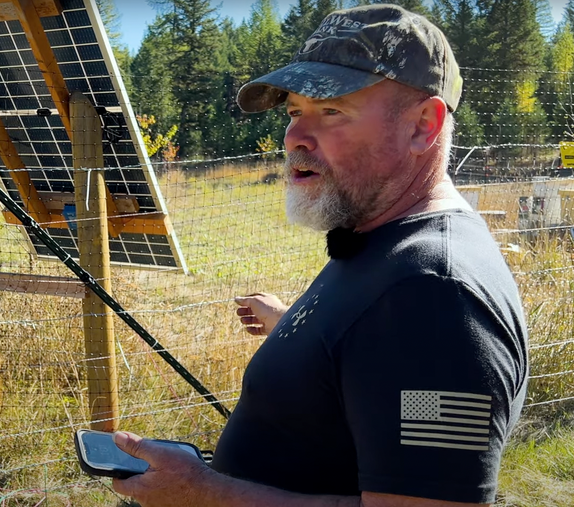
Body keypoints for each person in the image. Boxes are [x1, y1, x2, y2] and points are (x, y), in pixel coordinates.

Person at [109, 5, 529, 507]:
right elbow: (372, 359)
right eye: (294, 111)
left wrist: (203, 494)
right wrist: (295, 329)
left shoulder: (434, 294)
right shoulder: (378, 242)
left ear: (423, 125)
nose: (293, 137)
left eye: (331, 111)